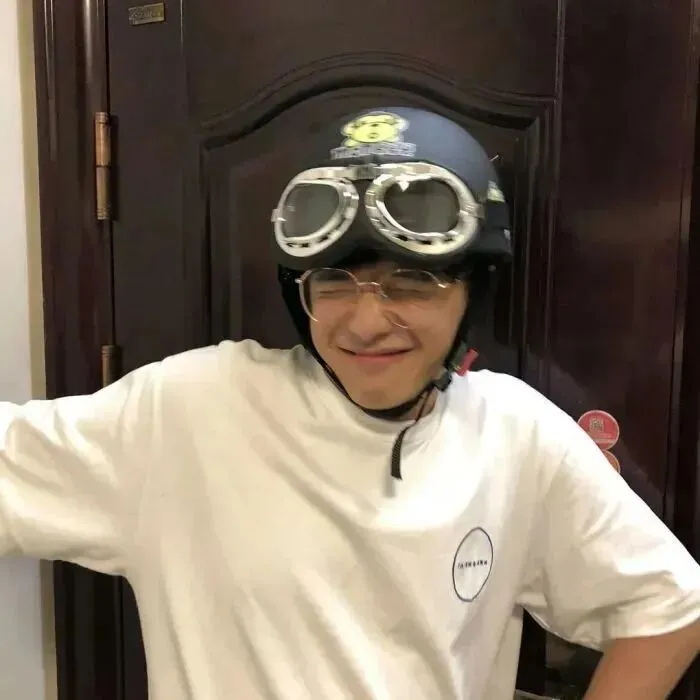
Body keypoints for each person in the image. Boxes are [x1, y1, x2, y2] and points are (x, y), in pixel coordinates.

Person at [1, 106, 699, 700]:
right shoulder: (189, 412)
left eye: (412, 282)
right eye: (334, 281)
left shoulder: (515, 434)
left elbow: (669, 608)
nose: (365, 323)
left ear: (472, 292)